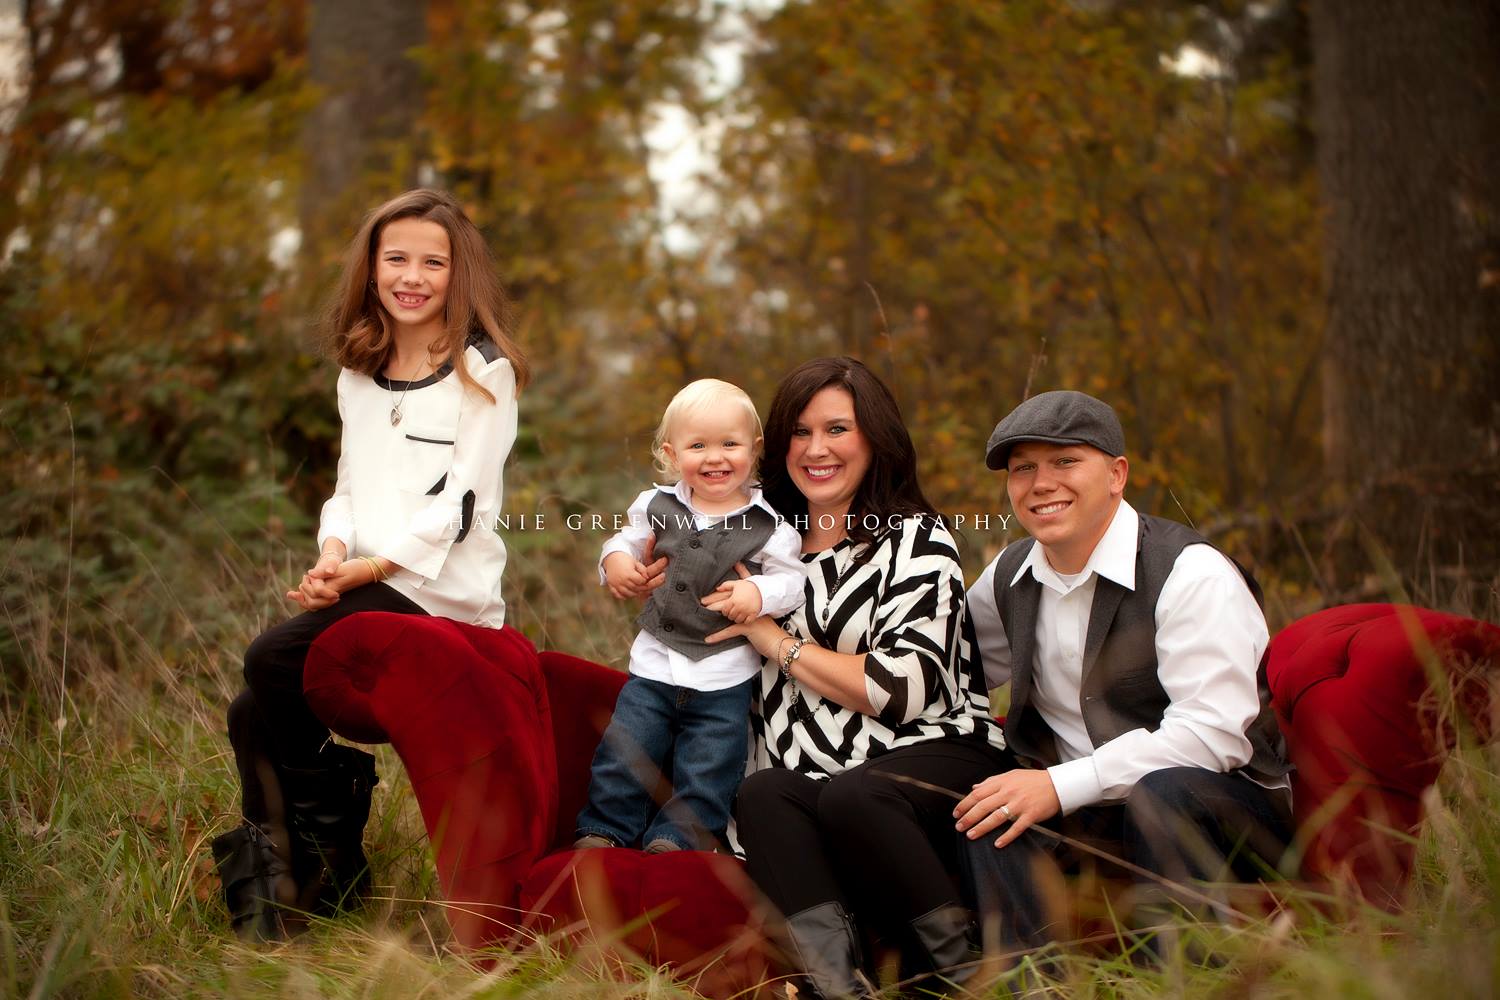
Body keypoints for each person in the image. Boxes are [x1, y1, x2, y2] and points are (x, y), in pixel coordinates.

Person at [212, 189, 530, 941]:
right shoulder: (358, 370)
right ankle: (296, 891)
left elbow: (463, 506)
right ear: (372, 267)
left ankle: (335, 838)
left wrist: (368, 571)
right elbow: (349, 488)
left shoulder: (484, 370)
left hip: (442, 596)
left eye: (433, 261)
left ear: (461, 275)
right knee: (250, 710)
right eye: (396, 258)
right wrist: (331, 556)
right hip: (368, 580)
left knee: (269, 657)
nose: (412, 275)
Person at [700, 357, 1008, 999]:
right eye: (800, 432)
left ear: (875, 438)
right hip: (814, 779)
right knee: (762, 796)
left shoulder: (915, 539)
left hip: (930, 752)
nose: (817, 450)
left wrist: (774, 640)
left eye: (838, 429)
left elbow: (899, 690)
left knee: (855, 795)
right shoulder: (759, 548)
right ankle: (841, 990)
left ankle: (967, 979)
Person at [955, 390, 1292, 956]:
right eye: (1023, 469)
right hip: (1092, 815)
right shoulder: (1008, 575)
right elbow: (950, 669)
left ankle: (1184, 976)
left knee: (1163, 793)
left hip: (1224, 808)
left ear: (1117, 474)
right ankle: (1033, 988)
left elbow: (1212, 737)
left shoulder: (1190, 572)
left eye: (1065, 462)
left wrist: (1060, 784)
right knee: (990, 815)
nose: (1041, 483)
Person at [573, 379, 807, 853]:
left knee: (711, 764)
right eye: (698, 445)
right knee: (626, 752)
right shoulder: (655, 504)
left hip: (725, 674)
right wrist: (615, 563)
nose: (715, 457)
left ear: (754, 448)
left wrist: (758, 592)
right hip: (655, 662)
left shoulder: (771, 526)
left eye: (729, 444)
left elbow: (793, 582)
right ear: (672, 453)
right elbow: (622, 542)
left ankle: (679, 839)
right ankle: (606, 829)